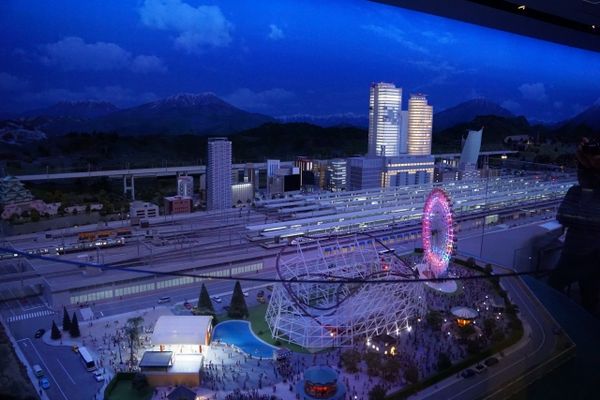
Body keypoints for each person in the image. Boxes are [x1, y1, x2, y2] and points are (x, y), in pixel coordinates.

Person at [549, 137, 600, 314]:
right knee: (587, 297)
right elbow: (563, 216)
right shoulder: (575, 191)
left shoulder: (576, 193)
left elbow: (565, 217)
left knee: (555, 288)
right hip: (578, 253)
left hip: (576, 252)